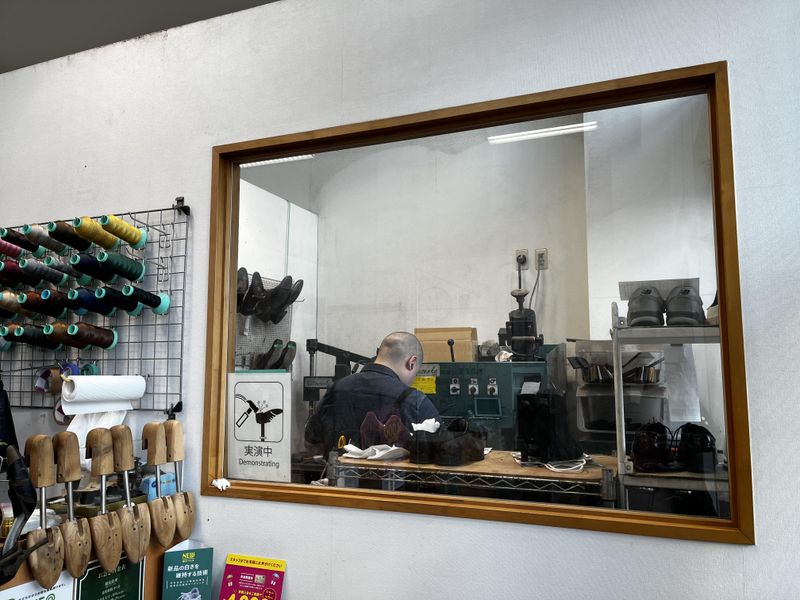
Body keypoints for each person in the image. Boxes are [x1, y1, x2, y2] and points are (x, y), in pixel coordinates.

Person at [305, 332, 440, 452]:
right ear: (412, 362)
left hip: (336, 472)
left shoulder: (335, 389)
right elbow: (441, 450)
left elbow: (311, 441)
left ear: (377, 352)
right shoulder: (414, 400)